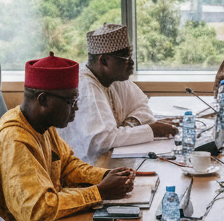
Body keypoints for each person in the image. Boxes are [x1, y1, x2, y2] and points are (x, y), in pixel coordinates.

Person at [0, 51, 136, 221]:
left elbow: (67, 164)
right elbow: (38, 211)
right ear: (43, 100)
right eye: (71, 101)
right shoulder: (14, 140)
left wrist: (105, 176)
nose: (76, 108)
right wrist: (99, 192)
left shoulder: (42, 124)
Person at [61, 23, 179, 165]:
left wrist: (130, 125)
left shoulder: (113, 77)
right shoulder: (86, 86)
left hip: (111, 159)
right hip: (86, 168)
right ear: (103, 61)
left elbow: (142, 105)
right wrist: (151, 130)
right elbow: (102, 140)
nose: (131, 63)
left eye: (130, 55)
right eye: (125, 58)